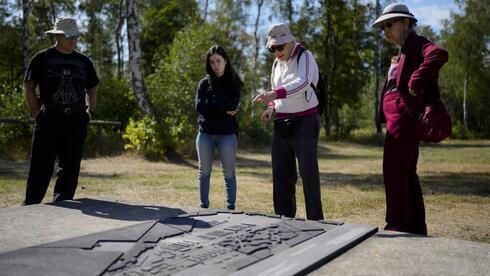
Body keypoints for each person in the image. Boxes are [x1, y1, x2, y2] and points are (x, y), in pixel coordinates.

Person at [372, 4, 448, 235]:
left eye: (389, 24)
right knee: (406, 172)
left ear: (405, 23)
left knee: (394, 171)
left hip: (404, 121)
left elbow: (439, 53)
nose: (385, 30)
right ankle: (415, 226)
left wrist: (416, 80)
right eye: (383, 26)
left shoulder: (415, 42)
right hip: (398, 120)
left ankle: (398, 225)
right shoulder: (404, 50)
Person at [23, 17, 99, 205]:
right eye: (69, 36)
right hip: (48, 119)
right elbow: (28, 85)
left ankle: (62, 208)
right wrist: (36, 113)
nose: (73, 40)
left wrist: (89, 112)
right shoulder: (42, 58)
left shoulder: (84, 61)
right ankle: (30, 208)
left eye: (76, 36)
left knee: (70, 169)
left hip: (76, 121)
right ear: (57, 36)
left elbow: (92, 88)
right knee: (40, 168)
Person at [254, 23, 323, 220]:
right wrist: (271, 108)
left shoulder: (305, 56)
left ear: (291, 41)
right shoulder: (276, 64)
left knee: (308, 175)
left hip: (305, 122)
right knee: (281, 175)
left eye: (280, 47)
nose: (276, 51)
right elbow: (276, 93)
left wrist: (275, 93)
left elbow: (303, 83)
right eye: (272, 48)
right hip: (281, 124)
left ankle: (316, 221)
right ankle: (284, 220)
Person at [195, 45, 243, 210]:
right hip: (205, 135)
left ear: (226, 61)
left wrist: (212, 107)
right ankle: (203, 207)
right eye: (212, 61)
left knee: (229, 173)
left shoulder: (234, 83)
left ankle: (231, 208)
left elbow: (232, 104)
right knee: (204, 173)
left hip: (227, 135)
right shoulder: (204, 83)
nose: (215, 64)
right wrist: (223, 108)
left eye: (218, 60)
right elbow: (199, 107)